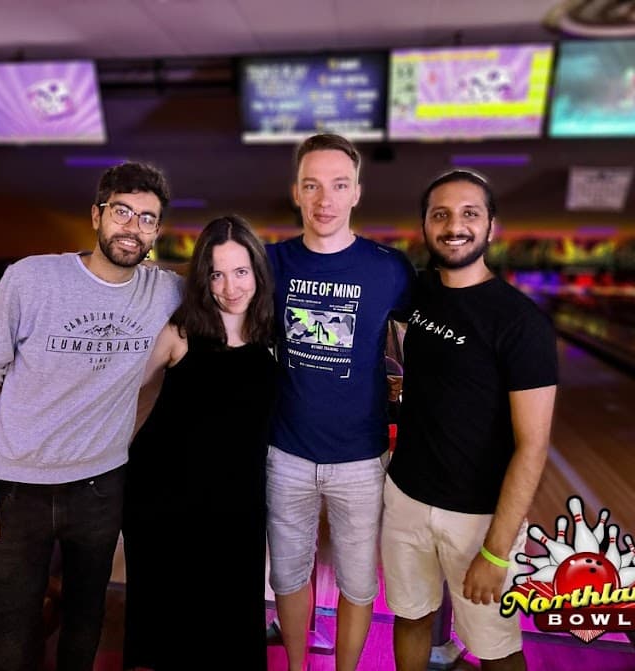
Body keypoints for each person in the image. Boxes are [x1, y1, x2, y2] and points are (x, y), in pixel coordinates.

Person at [0, 161, 184, 671]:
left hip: (101, 489)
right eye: (122, 212)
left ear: (157, 231)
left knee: (84, 629)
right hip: (14, 489)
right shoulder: (30, 278)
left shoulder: (165, 292)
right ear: (96, 215)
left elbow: (230, 295)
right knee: (11, 642)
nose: (134, 227)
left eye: (148, 219)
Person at [380, 169, 558, 671]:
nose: (454, 226)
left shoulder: (521, 322)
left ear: (490, 227)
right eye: (441, 214)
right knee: (411, 616)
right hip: (406, 497)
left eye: (469, 214)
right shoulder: (415, 293)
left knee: (497, 649)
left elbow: (533, 446)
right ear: (425, 226)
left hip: (478, 518)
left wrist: (498, 551)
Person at [265, 133, 416, 671]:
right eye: (312, 185)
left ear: (357, 192)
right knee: (287, 575)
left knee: (356, 582)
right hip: (286, 451)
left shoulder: (391, 269)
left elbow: (420, 347)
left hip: (361, 457)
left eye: (338, 185)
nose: (324, 199)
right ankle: (301, 666)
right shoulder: (269, 262)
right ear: (296, 194)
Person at [122, 215, 277, 671]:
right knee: (170, 629)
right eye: (217, 273)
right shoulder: (179, 333)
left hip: (239, 502)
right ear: (203, 278)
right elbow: (126, 400)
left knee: (231, 621)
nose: (230, 287)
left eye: (241, 272)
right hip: (165, 500)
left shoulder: (272, 335)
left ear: (257, 274)